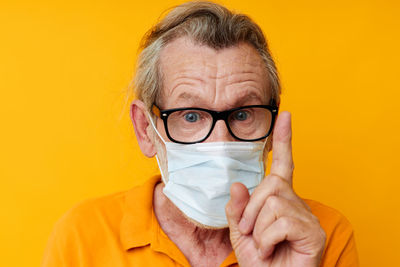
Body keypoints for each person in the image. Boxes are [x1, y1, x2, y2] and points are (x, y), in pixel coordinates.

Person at [42, 1, 359, 266]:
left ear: (273, 128)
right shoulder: (82, 236)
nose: (221, 143)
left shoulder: (321, 237)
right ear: (145, 129)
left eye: (243, 114)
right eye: (191, 116)